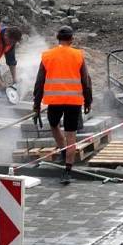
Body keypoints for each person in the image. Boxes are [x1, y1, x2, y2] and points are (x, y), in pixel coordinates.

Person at [32, 26, 92, 185]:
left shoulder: (47, 55)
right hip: (73, 102)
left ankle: (64, 151)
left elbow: (39, 83)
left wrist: (36, 106)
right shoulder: (78, 55)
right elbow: (86, 81)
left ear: (57, 39)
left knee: (54, 126)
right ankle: (67, 171)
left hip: (54, 101)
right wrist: (88, 101)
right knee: (71, 136)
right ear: (71, 40)